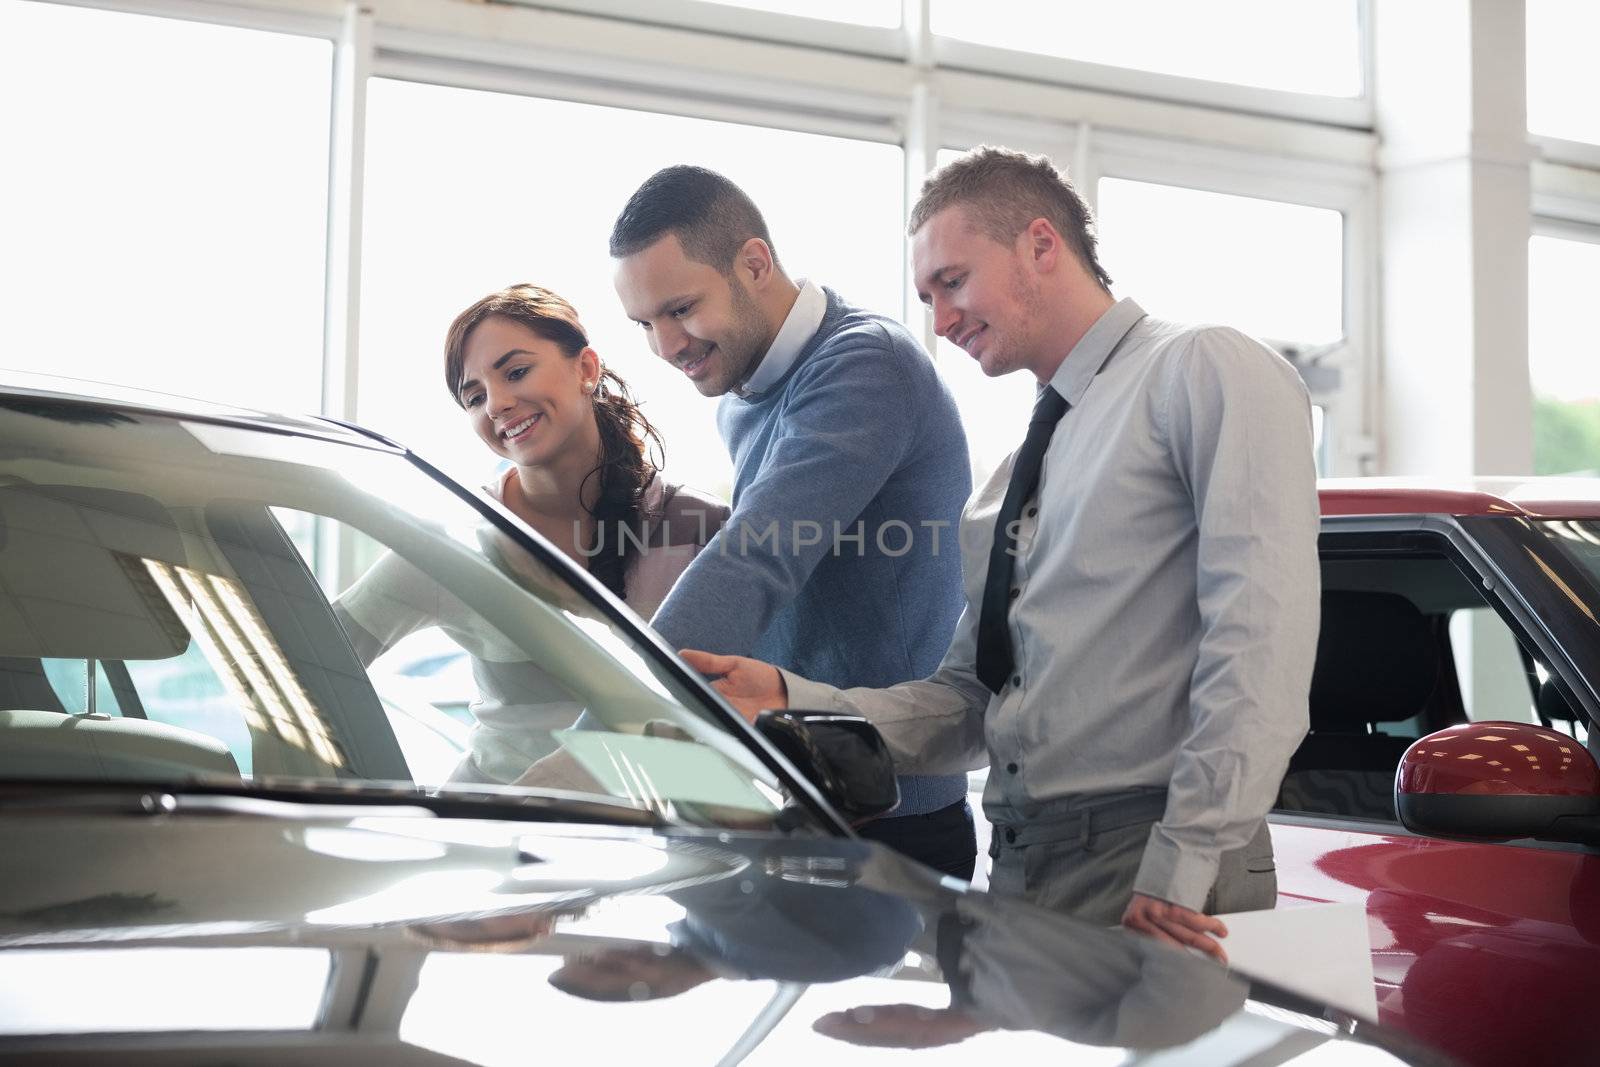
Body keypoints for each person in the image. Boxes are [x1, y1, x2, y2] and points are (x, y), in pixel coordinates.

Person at [683, 147, 1321, 963]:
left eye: (953, 281)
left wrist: (1185, 860)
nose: (941, 320)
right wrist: (786, 695)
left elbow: (1261, 639)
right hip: (1023, 859)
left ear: (1041, 245)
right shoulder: (1009, 478)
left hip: (1151, 860)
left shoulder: (1202, 367)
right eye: (926, 297)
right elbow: (967, 703)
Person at [609, 165, 978, 879]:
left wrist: (609, 732)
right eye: (644, 324)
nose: (665, 345)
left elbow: (756, 560)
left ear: (754, 263)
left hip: (890, 817)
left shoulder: (866, 364)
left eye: (680, 308)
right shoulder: (740, 395)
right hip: (791, 798)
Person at [334, 283, 728, 783]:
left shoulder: (701, 528)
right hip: (493, 838)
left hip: (667, 845)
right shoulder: (453, 540)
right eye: (474, 397)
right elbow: (303, 659)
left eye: (516, 372)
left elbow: (739, 718)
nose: (497, 403)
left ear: (587, 369)